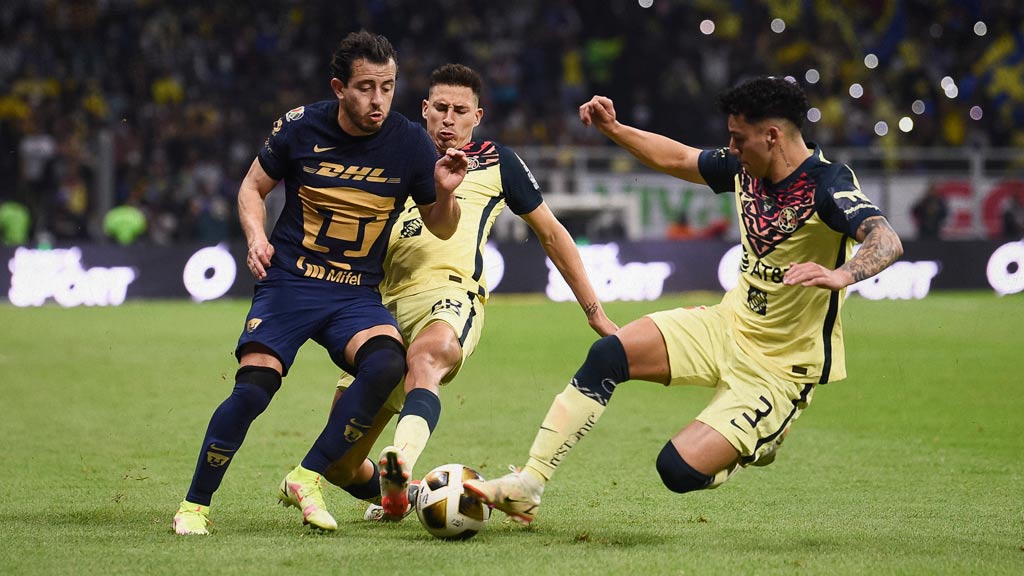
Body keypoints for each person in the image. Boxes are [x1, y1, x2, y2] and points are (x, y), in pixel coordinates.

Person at [464, 77, 904, 525]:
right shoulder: (744, 167)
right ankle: (529, 485)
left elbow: (885, 238)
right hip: (727, 325)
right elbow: (678, 157)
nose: (730, 148)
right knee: (608, 355)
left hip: (779, 368)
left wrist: (842, 273)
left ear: (772, 135)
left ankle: (763, 438)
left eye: (738, 138)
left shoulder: (827, 184)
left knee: (675, 471)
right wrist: (615, 130)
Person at [172, 31, 466, 536]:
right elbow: (251, 187)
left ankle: (307, 476)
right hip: (290, 283)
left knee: (387, 360)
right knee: (255, 389)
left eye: (388, 87)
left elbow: (441, 225)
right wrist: (255, 236)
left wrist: (444, 192)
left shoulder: (410, 143)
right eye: (366, 88)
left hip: (354, 292)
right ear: (339, 87)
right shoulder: (300, 127)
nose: (378, 100)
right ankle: (194, 506)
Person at [319, 63, 618, 521]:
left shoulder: (497, 161)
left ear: (477, 116)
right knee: (338, 463)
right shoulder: (391, 154)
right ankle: (411, 494)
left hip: (451, 295)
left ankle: (400, 459)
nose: (448, 119)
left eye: (460, 110)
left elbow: (553, 235)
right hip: (377, 308)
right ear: (424, 109)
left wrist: (594, 311)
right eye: (440, 108)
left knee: (429, 356)